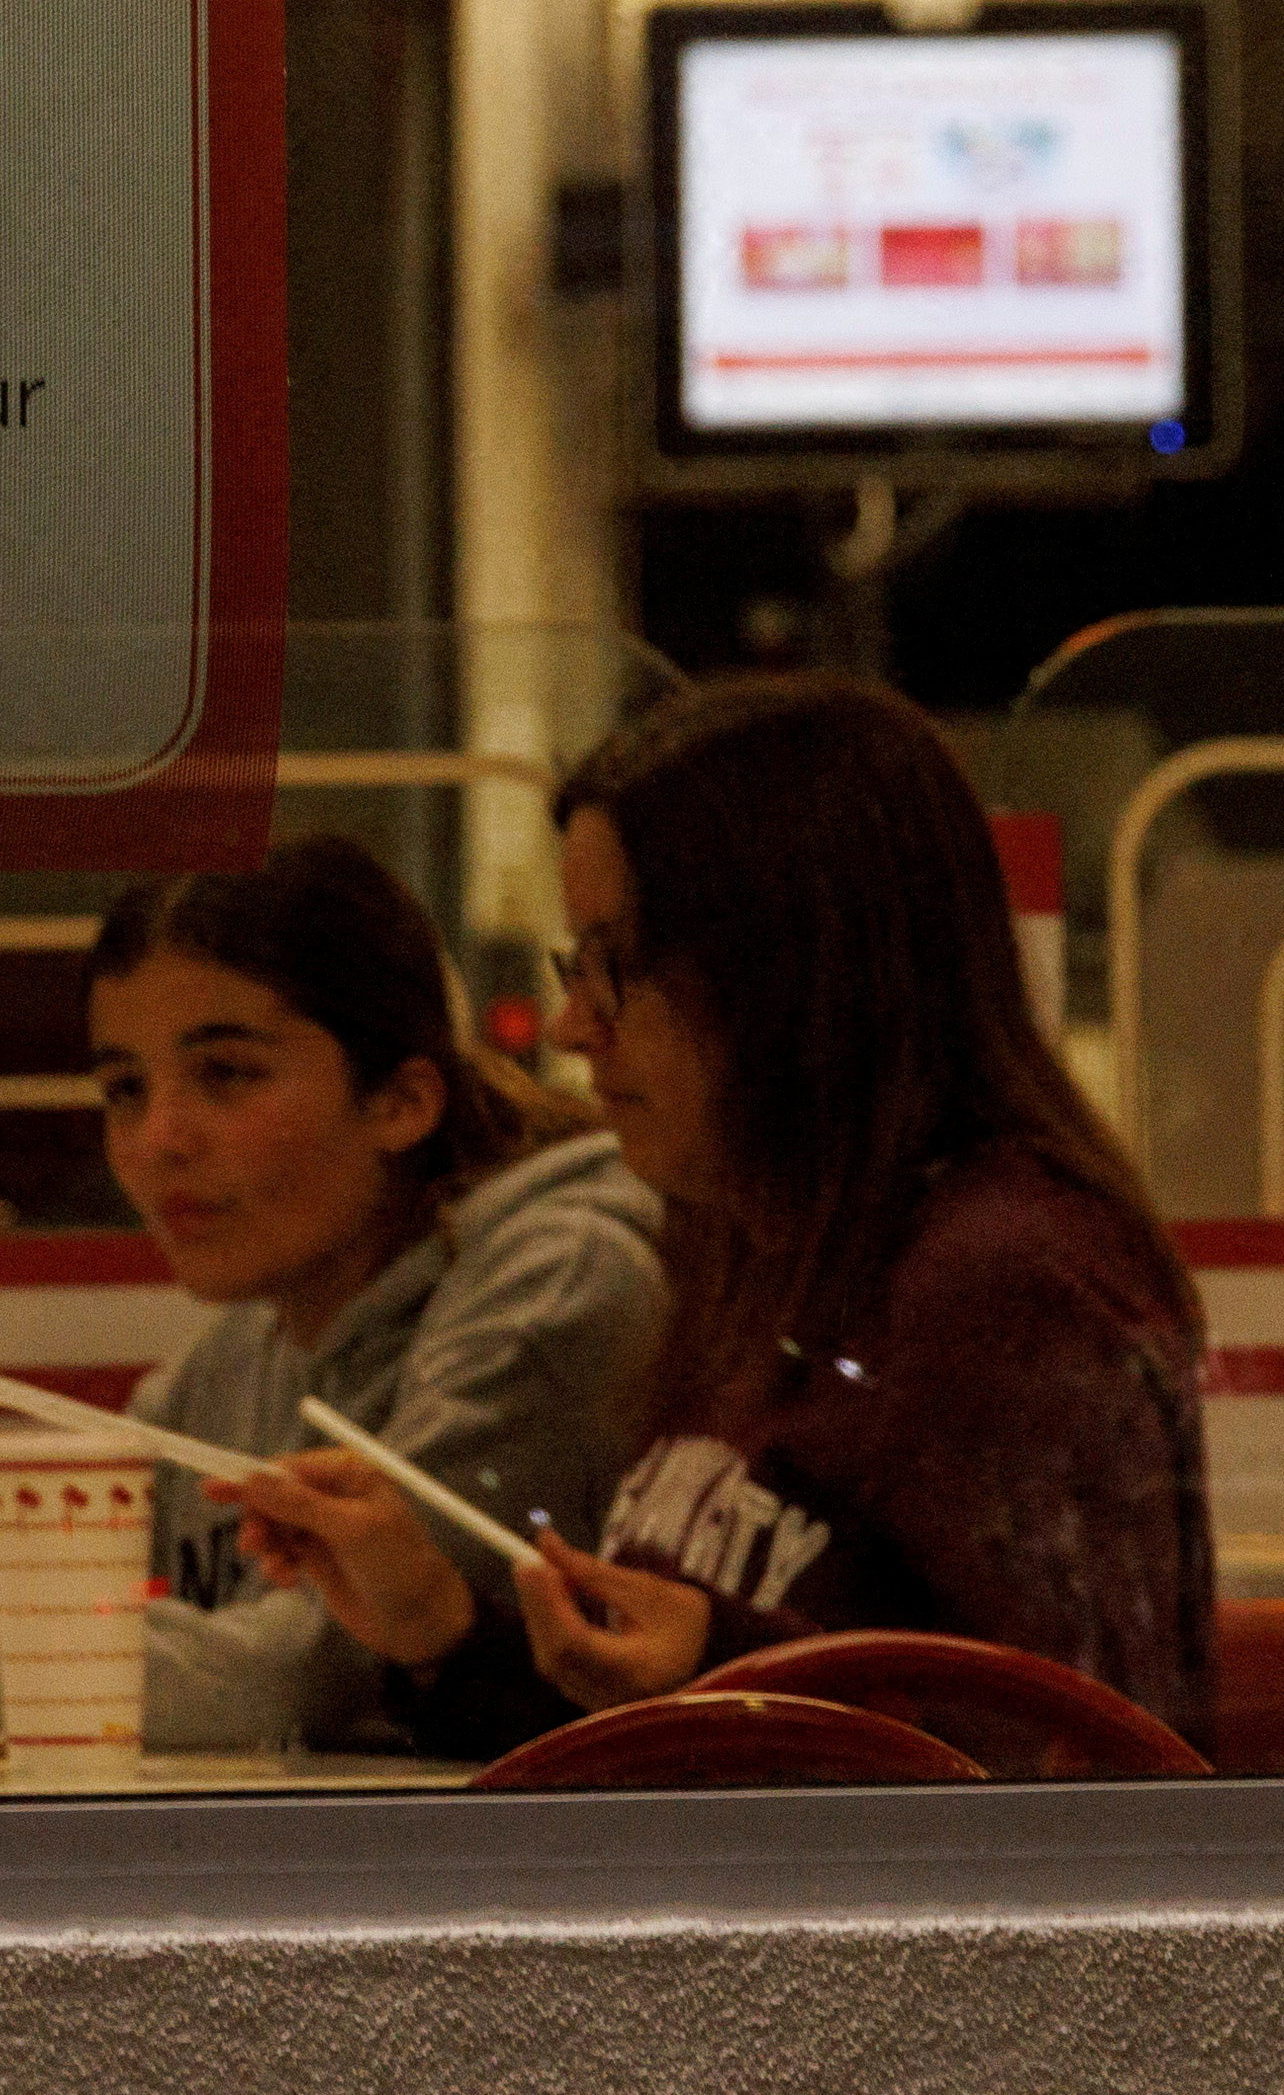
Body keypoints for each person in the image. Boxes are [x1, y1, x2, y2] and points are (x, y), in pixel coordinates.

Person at [235, 675, 1216, 1757]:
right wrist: (439, 1632)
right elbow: (666, 1749)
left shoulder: (1006, 1279)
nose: (569, 1024)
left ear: (790, 964)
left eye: (615, 965)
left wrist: (718, 1669)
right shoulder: (745, 1245)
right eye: (573, 965)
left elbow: (1090, 1767)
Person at [0, 837, 661, 1754]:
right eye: (125, 1089)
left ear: (401, 1100)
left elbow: (280, 1680)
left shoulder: (557, 1284)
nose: (157, 1141)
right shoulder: (238, 1354)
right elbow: (32, 1599)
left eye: (224, 1074)